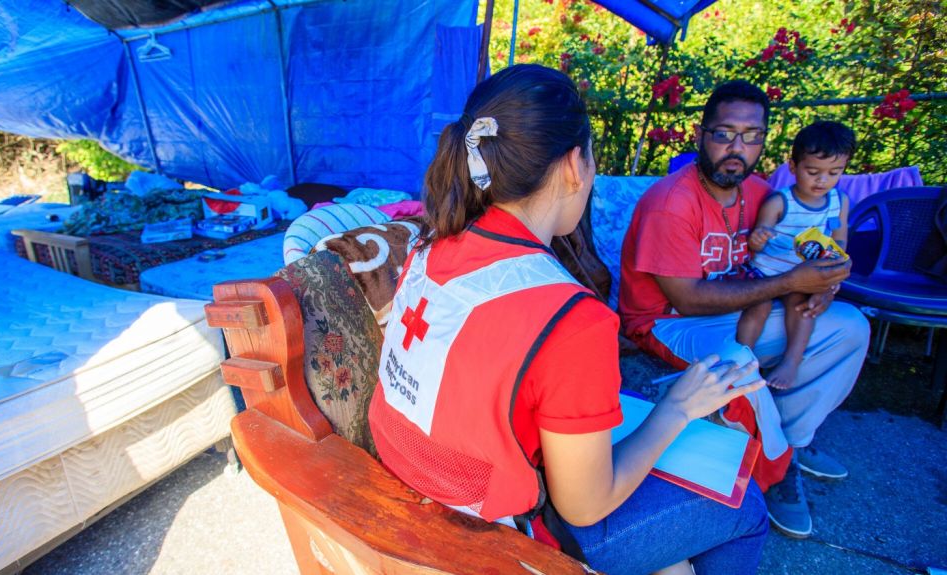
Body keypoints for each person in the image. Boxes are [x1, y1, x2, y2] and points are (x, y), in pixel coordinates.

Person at [369, 64, 769, 575]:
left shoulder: (431, 243)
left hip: (410, 472)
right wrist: (678, 407)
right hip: (492, 527)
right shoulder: (572, 316)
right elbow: (584, 505)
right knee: (747, 508)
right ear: (576, 164)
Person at [619, 80, 870, 539]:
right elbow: (687, 299)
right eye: (724, 134)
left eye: (751, 136)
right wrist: (791, 282)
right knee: (736, 362)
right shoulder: (670, 203)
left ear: (764, 142)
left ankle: (793, 437)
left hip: (744, 306)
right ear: (700, 134)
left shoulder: (765, 195)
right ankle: (777, 469)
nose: (737, 148)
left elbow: (812, 253)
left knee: (850, 326)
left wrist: (824, 285)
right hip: (667, 323)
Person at [738, 121, 857, 390]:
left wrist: (833, 273)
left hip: (804, 274)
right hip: (767, 271)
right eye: (813, 171)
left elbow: (839, 239)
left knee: (802, 309)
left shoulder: (839, 202)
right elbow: (756, 245)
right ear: (793, 167)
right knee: (758, 307)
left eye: (834, 172)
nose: (822, 180)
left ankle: (792, 360)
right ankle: (742, 361)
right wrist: (758, 238)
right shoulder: (780, 201)